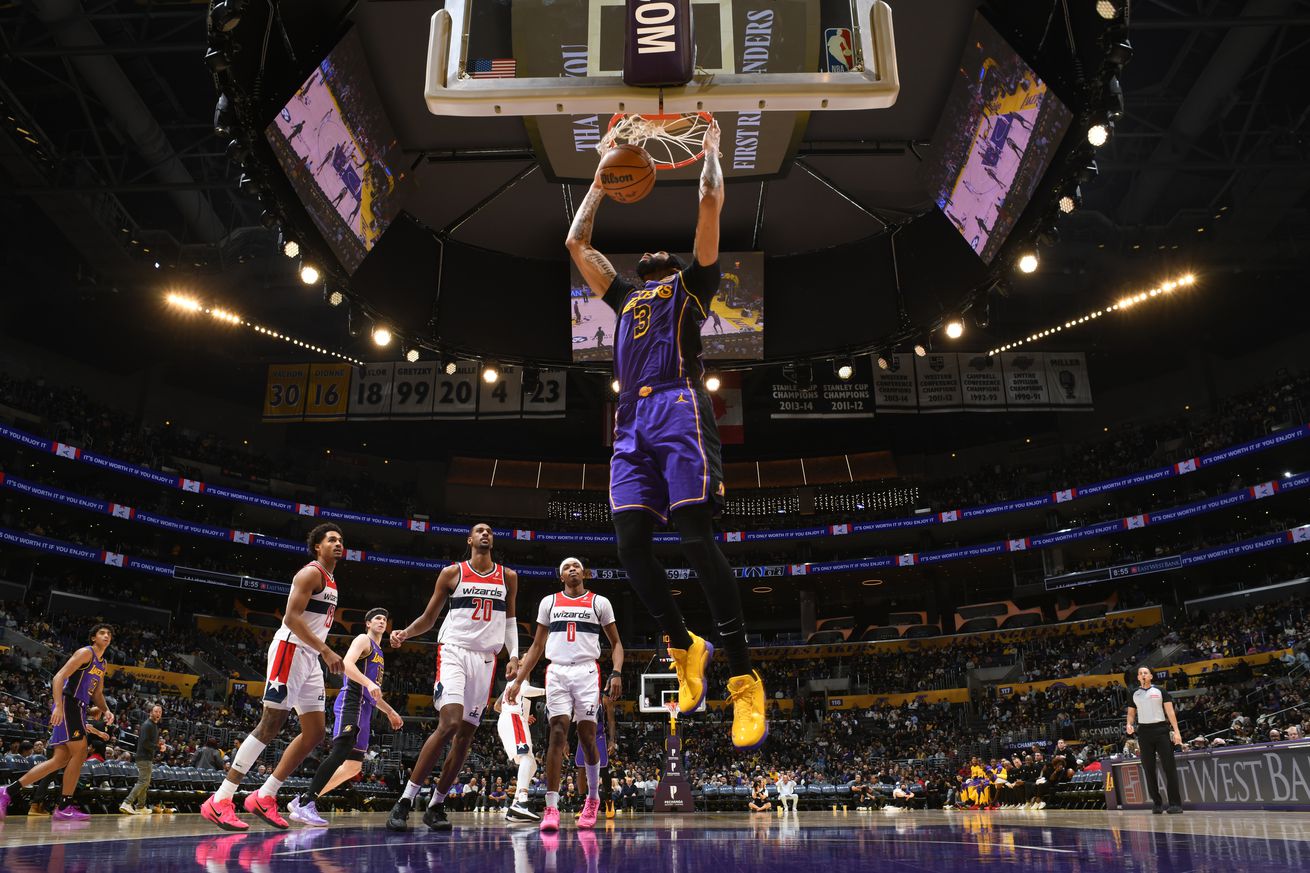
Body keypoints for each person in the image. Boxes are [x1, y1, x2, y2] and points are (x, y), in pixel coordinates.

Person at [564, 117, 766, 751]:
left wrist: (710, 151)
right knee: (628, 547)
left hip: (679, 408)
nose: (650, 250)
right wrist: (599, 179)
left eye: (661, 253)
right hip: (630, 422)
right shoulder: (624, 297)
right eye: (644, 254)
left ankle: (743, 676)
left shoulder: (691, 289)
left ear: (672, 265)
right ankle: (684, 645)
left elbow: (709, 202)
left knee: (697, 538)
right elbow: (576, 242)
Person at [201, 524, 346, 831]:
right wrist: (326, 650)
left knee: (315, 733)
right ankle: (220, 798)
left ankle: (265, 795)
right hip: (291, 650)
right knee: (271, 723)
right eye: (331, 539)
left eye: (340, 540)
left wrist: (318, 652)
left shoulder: (332, 579)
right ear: (318, 547)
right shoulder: (310, 573)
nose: (338, 544)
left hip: (308, 658)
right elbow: (291, 618)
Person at [386, 523, 521, 832]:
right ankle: (405, 801)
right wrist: (405, 632)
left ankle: (436, 805)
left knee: (466, 736)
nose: (486, 533)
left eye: (490, 530)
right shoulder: (452, 573)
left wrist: (513, 655)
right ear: (470, 539)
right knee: (448, 725)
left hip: (486, 660)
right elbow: (429, 618)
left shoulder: (508, 576)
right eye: (479, 530)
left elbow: (511, 621)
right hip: (454, 651)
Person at [507, 557, 623, 832]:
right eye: (566, 568)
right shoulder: (549, 602)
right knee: (557, 734)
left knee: (586, 736)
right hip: (556, 671)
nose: (572, 569)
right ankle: (551, 807)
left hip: (586, 672)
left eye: (576, 566)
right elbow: (536, 647)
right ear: (561, 577)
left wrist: (616, 672)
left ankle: (592, 799)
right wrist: (518, 682)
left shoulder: (599, 602)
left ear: (583, 573)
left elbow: (616, 643)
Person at [289, 608, 405, 825]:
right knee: (341, 751)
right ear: (367, 624)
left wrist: (390, 711)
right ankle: (307, 802)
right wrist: (370, 683)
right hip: (352, 703)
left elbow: (372, 692)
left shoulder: (379, 652)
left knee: (353, 766)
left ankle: (302, 801)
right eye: (377, 618)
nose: (382, 621)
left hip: (365, 708)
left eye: (384, 619)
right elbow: (347, 665)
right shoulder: (364, 640)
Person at [0, 624, 115, 822]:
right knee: (80, 752)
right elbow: (59, 677)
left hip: (78, 708)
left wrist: (106, 710)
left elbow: (96, 693)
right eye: (102, 633)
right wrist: (59, 706)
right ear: (93, 637)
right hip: (69, 705)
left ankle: (7, 791)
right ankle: (64, 806)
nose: (106, 636)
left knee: (59, 760)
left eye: (109, 634)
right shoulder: (85, 653)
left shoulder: (102, 664)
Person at [1126, 665, 1184, 814]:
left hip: (1161, 730)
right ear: (1138, 678)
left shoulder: (1160, 691)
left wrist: (1176, 732)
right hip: (1144, 732)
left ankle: (1175, 804)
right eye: (1140, 673)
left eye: (1145, 672)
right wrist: (1129, 724)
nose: (1143, 675)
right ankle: (1157, 803)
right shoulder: (1134, 694)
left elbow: (1170, 712)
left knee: (1169, 767)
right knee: (1149, 768)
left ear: (1151, 676)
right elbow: (1131, 713)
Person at [494, 674, 545, 822]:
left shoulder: (512, 684)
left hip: (514, 719)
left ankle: (515, 806)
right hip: (514, 719)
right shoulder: (520, 681)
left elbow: (497, 706)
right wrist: (547, 690)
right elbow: (527, 690)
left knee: (533, 765)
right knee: (527, 759)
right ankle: (522, 801)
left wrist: (523, 715)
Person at [121, 704, 163, 814]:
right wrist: (157, 747)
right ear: (150, 713)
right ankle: (127, 802)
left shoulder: (153, 725)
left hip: (147, 757)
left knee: (145, 782)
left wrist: (157, 746)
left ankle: (140, 807)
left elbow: (149, 743)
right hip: (143, 757)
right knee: (143, 781)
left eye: (160, 712)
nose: (158, 713)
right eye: (156, 711)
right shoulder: (148, 725)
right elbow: (145, 743)